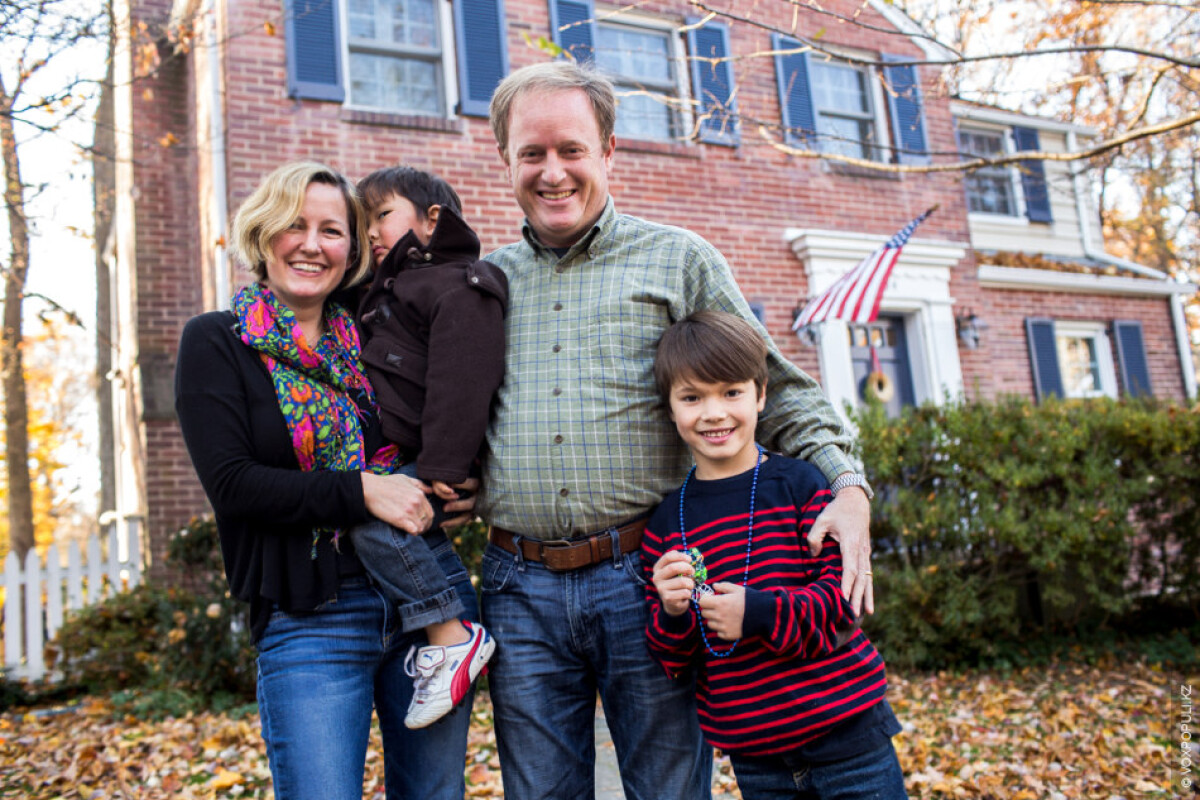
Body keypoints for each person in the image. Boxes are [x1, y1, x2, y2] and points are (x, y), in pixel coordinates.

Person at [475, 61, 875, 800]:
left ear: (608, 153)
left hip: (649, 578)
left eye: (571, 149)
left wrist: (847, 486)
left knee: (667, 792)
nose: (552, 171)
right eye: (532, 153)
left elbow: (776, 389)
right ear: (505, 161)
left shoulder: (679, 259)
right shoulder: (482, 284)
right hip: (517, 586)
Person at [175, 161, 480, 799]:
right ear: (263, 235)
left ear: (353, 248)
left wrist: (465, 486)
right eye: (294, 225)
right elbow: (234, 485)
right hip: (309, 618)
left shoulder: (377, 327)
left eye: (333, 230)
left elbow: (454, 398)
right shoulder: (218, 342)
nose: (312, 244)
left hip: (426, 612)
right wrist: (363, 489)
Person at [645, 311, 905, 800]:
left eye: (732, 392)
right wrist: (674, 610)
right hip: (756, 758)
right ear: (671, 407)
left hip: (849, 739)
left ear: (761, 394)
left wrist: (756, 613)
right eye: (692, 397)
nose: (714, 412)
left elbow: (844, 604)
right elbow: (673, 657)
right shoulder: (665, 526)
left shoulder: (801, 484)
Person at [348, 166, 506, 728]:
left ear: (433, 218)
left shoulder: (459, 283)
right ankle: (446, 638)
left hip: (438, 460)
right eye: (362, 223)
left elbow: (462, 381)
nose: (369, 232)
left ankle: (451, 635)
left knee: (373, 521)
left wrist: (445, 463)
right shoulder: (385, 289)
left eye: (381, 216)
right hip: (401, 457)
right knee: (374, 516)